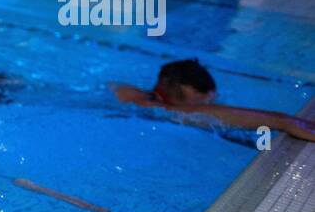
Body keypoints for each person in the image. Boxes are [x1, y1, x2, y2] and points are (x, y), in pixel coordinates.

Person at [110, 58, 315, 142]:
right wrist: (282, 121)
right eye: (198, 101)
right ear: (169, 85)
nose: (203, 108)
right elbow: (185, 113)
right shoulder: (131, 97)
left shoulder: (151, 99)